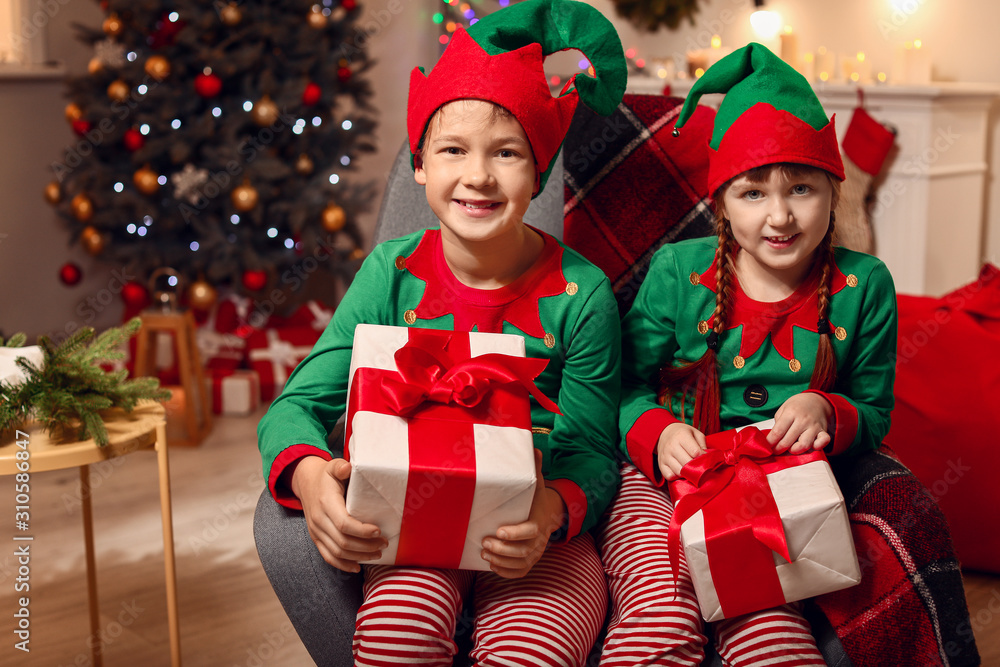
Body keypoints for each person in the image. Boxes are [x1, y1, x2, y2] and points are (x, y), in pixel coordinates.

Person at [256, 1, 627, 664]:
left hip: (534, 535)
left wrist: (549, 512)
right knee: (396, 639)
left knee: (533, 652)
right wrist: (313, 479)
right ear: (422, 164)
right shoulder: (392, 271)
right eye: (453, 149)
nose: (478, 175)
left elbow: (594, 453)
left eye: (507, 153)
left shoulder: (583, 293)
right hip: (411, 520)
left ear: (537, 173)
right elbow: (295, 406)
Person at [596, 43, 898, 665]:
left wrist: (828, 411)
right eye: (753, 193)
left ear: (833, 193)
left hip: (777, 487)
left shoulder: (863, 286)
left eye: (802, 189)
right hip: (663, 481)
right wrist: (654, 431)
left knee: (771, 628)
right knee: (664, 612)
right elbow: (618, 384)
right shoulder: (679, 272)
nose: (780, 216)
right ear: (721, 203)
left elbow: (874, 409)